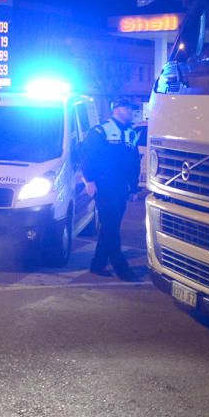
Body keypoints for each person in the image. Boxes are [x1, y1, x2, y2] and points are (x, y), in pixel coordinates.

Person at [81, 98, 142, 281]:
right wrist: (90, 181)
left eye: (132, 109)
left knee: (111, 226)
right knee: (111, 225)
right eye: (128, 108)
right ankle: (121, 268)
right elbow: (87, 155)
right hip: (104, 184)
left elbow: (133, 163)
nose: (131, 112)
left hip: (121, 187)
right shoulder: (101, 131)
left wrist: (133, 187)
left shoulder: (131, 134)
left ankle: (97, 264)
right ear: (117, 110)